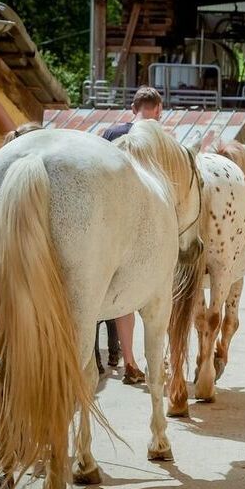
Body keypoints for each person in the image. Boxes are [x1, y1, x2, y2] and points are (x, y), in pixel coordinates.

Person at [99, 86, 164, 385]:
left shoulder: (110, 135)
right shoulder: (160, 139)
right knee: (161, 294)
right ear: (158, 110)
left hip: (111, 225)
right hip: (148, 225)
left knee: (121, 297)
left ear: (133, 107)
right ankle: (158, 360)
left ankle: (130, 361)